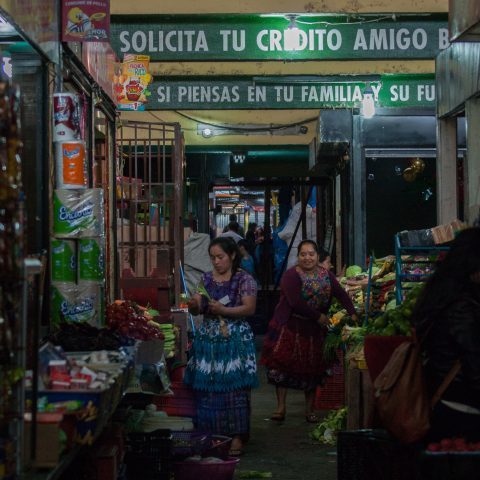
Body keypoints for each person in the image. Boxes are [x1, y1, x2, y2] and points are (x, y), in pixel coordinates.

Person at [261, 239, 358, 423]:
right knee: (281, 366)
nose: (307, 258)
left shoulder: (326, 275)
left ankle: (309, 410)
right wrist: (319, 317)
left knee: (313, 369)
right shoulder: (291, 276)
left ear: (317, 256)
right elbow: (295, 302)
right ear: (298, 257)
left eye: (311, 254)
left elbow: (341, 294)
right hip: (291, 326)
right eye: (303, 254)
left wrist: (353, 313)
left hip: (314, 330)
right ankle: (280, 407)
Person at [184, 237, 258, 456]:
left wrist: (224, 311)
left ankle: (236, 438)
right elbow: (198, 306)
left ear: (232, 256)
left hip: (235, 342)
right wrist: (193, 305)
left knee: (234, 391)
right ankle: (210, 435)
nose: (216, 262)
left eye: (220, 257)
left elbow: (249, 308)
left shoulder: (244, 279)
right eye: (212, 257)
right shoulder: (205, 279)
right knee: (207, 389)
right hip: (209, 343)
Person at [413, 227, 480, 443]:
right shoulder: (461, 307)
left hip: (441, 402)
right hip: (461, 410)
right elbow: (475, 365)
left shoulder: (439, 295)